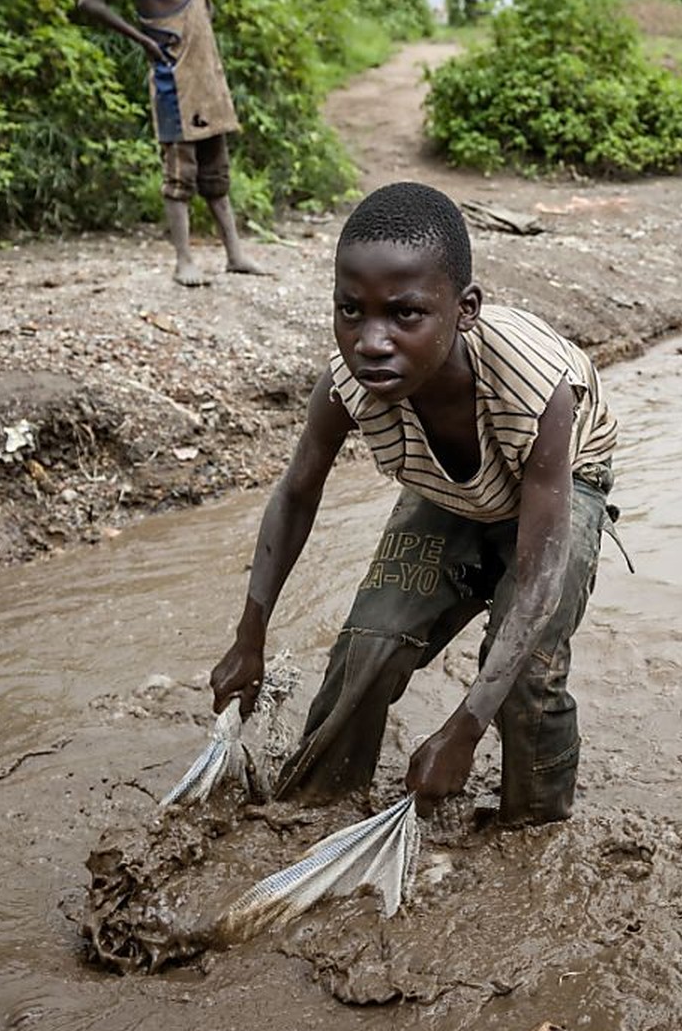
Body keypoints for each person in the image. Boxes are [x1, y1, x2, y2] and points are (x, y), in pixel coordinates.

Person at [208, 181, 621, 827]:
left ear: (465, 309)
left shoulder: (535, 387)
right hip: (450, 490)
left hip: (560, 482)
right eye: (352, 311)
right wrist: (249, 635)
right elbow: (296, 493)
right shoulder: (349, 387)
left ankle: (532, 835)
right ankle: (314, 811)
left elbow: (539, 580)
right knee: (369, 644)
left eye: (404, 314)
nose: (372, 340)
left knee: (525, 678)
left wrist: (464, 729)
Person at [77, 0, 266, 287]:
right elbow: (89, 2)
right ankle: (183, 261)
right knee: (179, 176)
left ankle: (235, 254)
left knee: (217, 175)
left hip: (208, 89)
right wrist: (143, 39)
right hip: (174, 90)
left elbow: (204, 17)